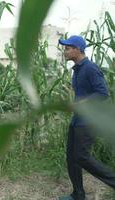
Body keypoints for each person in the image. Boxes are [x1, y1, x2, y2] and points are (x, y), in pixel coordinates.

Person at [58, 35, 115, 200]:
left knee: (81, 156)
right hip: (77, 119)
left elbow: (102, 93)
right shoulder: (77, 70)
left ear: (77, 49)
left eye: (67, 48)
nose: (65, 51)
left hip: (88, 121)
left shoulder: (90, 68)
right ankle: (78, 194)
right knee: (71, 157)